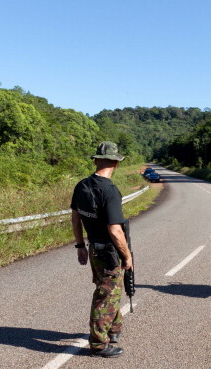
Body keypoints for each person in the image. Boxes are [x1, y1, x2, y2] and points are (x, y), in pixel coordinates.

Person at [70, 141, 134, 358]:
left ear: (96, 160)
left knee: (110, 291)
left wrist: (80, 245)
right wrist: (127, 257)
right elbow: (115, 230)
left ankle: (113, 330)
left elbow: (76, 217)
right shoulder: (110, 191)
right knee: (105, 296)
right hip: (109, 253)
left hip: (93, 250)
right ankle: (99, 344)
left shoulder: (82, 186)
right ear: (115, 163)